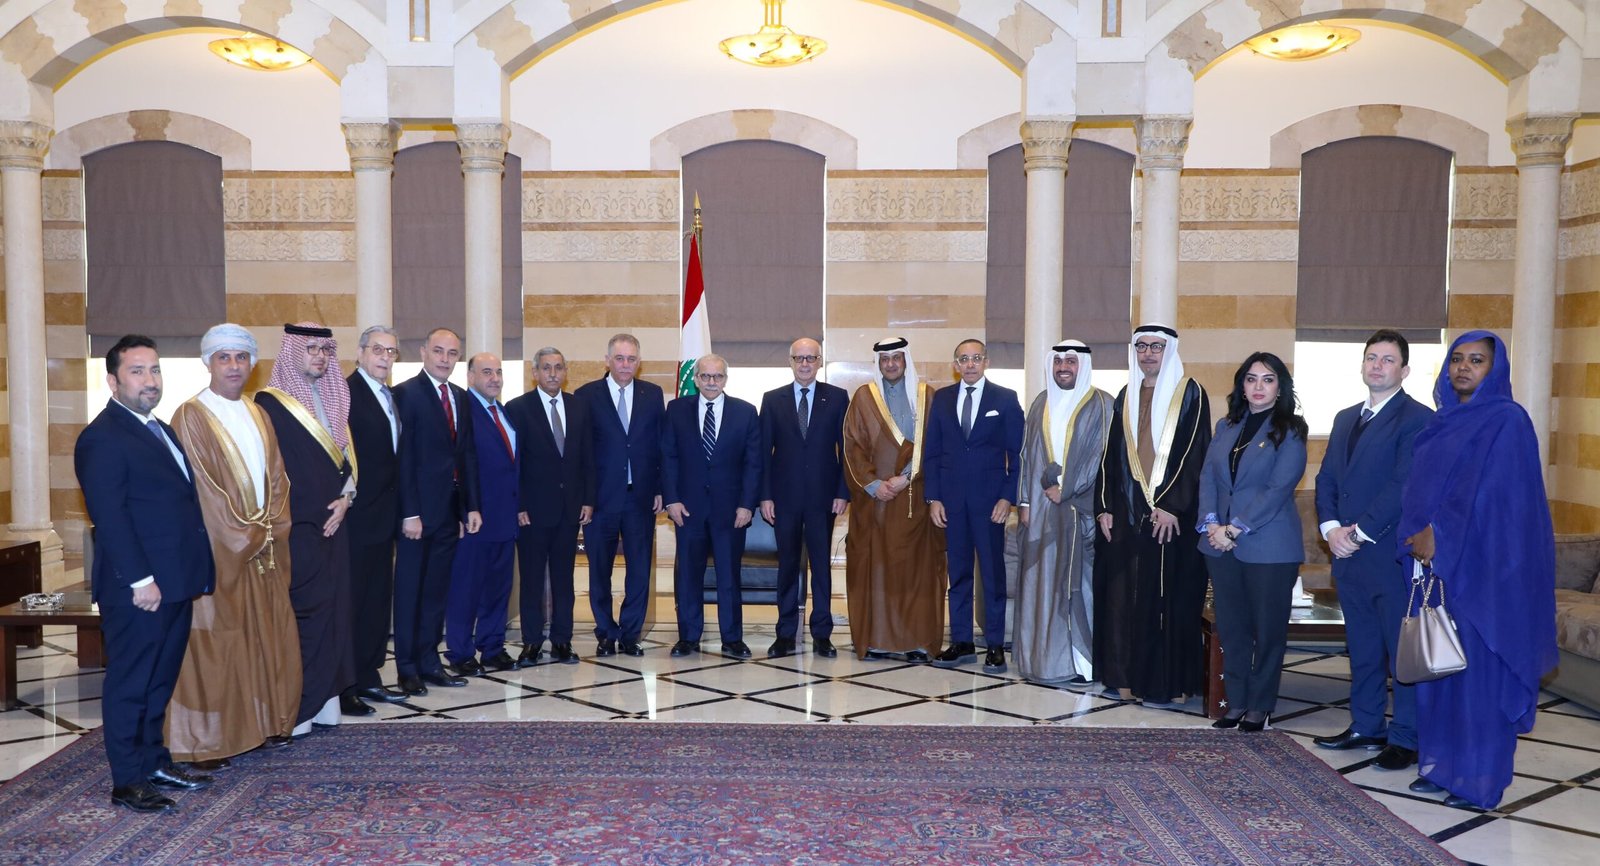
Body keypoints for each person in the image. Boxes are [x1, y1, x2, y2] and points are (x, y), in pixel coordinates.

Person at [1399, 330, 1555, 810]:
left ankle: (1479, 780)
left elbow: (1499, 498)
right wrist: (1420, 536)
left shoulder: (1508, 420)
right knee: (1440, 669)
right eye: (1457, 359)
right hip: (1437, 572)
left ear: (1495, 368)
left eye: (1477, 360)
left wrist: (1439, 534)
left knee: (1477, 680)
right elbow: (1421, 489)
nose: (1463, 368)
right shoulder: (1442, 422)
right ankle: (1442, 767)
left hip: (1484, 575)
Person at [75, 335, 217, 812]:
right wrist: (140, 581)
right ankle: (128, 780)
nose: (149, 380)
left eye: (154, 370)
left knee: (159, 680)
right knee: (131, 683)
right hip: (139, 588)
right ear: (112, 381)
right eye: (137, 371)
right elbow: (110, 518)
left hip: (173, 581)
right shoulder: (102, 437)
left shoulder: (159, 428)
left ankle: (154, 761)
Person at [167, 323, 300, 764]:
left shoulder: (258, 413)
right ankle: (208, 742)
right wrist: (250, 533)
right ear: (208, 363)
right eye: (223, 357)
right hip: (221, 553)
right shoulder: (191, 415)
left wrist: (271, 526)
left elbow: (278, 478)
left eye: (241, 357)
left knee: (264, 637)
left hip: (262, 549)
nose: (233, 365)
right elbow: (204, 491)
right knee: (218, 644)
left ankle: (266, 723)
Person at [1312, 330, 1433, 768]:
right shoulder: (1345, 417)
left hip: (1388, 555)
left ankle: (1406, 737)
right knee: (1362, 648)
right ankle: (1366, 725)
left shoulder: (1418, 418)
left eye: (1387, 359)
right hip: (1347, 557)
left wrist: (1358, 533)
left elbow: (1403, 484)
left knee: (1401, 652)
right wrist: (1330, 529)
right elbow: (1327, 478)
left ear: (1405, 370)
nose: (1377, 366)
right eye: (1371, 358)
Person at [1094, 323, 1212, 704]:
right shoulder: (1126, 394)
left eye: (1156, 347)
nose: (1148, 354)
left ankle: (1165, 685)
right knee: (1125, 598)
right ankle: (1127, 679)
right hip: (1128, 515)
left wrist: (1172, 505)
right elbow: (1110, 456)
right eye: (1141, 347)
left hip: (1170, 519)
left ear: (1169, 350)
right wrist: (1105, 506)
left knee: (1167, 600)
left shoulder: (1190, 393)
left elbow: (1196, 453)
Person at [254, 322, 358, 738]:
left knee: (335, 611)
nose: (319, 356)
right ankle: (297, 707)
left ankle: (325, 701)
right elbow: (272, 472)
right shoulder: (269, 405)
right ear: (292, 350)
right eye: (311, 348)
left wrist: (346, 499)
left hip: (336, 525)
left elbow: (345, 460)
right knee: (306, 613)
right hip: (297, 529)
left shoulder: (335, 397)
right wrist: (313, 511)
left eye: (325, 350)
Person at [1196, 352, 1308, 732]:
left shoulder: (1290, 429)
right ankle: (1237, 701)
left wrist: (1235, 529)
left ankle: (1260, 705)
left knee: (1267, 630)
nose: (1258, 386)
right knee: (1232, 628)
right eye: (1251, 379)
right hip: (1219, 544)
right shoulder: (1226, 426)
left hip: (1269, 546)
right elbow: (1208, 478)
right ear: (1241, 386)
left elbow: (1278, 489)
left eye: (1268, 379)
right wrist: (1211, 524)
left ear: (1280, 388)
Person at [1015, 340, 1113, 684]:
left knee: (1078, 586)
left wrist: (1067, 488)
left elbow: (1100, 457)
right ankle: (1043, 661)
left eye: (1071, 362)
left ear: (1082, 365)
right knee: (1041, 584)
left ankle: (1081, 663)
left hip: (1080, 511)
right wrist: (1025, 502)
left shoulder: (1102, 404)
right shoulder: (1040, 402)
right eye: (1058, 362)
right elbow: (1027, 455)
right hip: (1041, 511)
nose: (1063, 368)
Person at [841, 337, 944, 662]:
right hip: (876, 505)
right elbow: (852, 446)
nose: (890, 364)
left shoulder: (927, 396)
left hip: (917, 501)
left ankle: (916, 641)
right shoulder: (863, 397)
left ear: (905, 360)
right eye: (884, 359)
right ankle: (877, 641)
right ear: (878, 363)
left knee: (917, 573)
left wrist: (906, 477)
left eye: (896, 358)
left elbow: (937, 445)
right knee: (877, 571)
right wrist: (874, 485)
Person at [924, 338, 1024, 672]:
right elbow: (932, 453)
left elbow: (1017, 455)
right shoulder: (942, 399)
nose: (970, 364)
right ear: (955, 365)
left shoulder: (1005, 399)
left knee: (993, 575)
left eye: (976, 358)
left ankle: (995, 645)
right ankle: (962, 642)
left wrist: (1007, 498)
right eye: (963, 359)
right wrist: (934, 498)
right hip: (951, 503)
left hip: (990, 503)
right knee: (959, 573)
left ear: (986, 362)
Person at [392, 327, 482, 695]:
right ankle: (407, 668)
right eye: (439, 351)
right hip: (417, 516)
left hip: (448, 514)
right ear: (423, 352)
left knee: (435, 593)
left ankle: (430, 662)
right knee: (410, 592)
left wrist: (470, 507)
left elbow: (466, 455)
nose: (445, 359)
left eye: (452, 353)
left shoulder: (460, 397)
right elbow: (403, 459)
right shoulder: (405, 394)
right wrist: (409, 512)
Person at [662, 354, 762, 658]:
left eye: (717, 376)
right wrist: (671, 499)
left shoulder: (746, 412)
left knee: (729, 575)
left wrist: (747, 505)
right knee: (688, 575)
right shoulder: (676, 410)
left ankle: (732, 638)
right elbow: (668, 457)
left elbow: (753, 464)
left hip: (730, 512)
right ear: (695, 379)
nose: (711, 382)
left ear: (726, 379)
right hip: (688, 510)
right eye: (705, 376)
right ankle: (688, 637)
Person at [574, 333, 665, 657]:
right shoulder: (586, 396)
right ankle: (605, 631)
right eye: (620, 358)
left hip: (640, 498)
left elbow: (660, 446)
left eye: (631, 359)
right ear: (607, 360)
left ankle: (630, 634)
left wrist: (660, 489)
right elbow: (581, 452)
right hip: (600, 501)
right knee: (599, 571)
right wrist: (584, 498)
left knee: (639, 571)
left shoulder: (652, 395)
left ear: (639, 362)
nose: (625, 365)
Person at [758, 337, 849, 658]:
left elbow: (846, 450)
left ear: (820, 361)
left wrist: (843, 492)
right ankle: (785, 633)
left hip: (824, 499)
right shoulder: (772, 399)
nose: (805, 363)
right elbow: (763, 454)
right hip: (784, 499)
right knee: (787, 566)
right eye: (799, 358)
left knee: (821, 566)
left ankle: (822, 634)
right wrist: (765, 496)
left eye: (811, 358)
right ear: (790, 361)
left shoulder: (837, 397)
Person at [507, 347, 595, 665]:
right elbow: (513, 463)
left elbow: (587, 457)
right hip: (531, 512)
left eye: (558, 367)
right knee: (531, 580)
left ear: (565, 371)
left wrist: (588, 500)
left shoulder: (578, 406)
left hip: (569, 510)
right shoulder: (518, 408)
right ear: (535, 373)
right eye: (546, 368)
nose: (553, 374)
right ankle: (531, 641)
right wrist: (519, 505)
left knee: (564, 580)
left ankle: (562, 641)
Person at [443, 353, 521, 677]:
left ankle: (492, 646)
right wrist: (463, 510)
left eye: (498, 372)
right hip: (475, 519)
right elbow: (458, 465)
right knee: (466, 588)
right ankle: (460, 651)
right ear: (470, 376)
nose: (495, 378)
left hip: (505, 517)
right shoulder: (463, 410)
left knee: (498, 588)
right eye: (486, 372)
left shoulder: (502, 411)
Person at [342, 325, 407, 712]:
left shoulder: (389, 396)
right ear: (361, 352)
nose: (385, 357)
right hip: (357, 517)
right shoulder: (346, 394)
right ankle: (346, 684)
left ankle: (369, 675)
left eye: (391, 351)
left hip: (385, 517)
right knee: (354, 601)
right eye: (378, 350)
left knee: (377, 602)